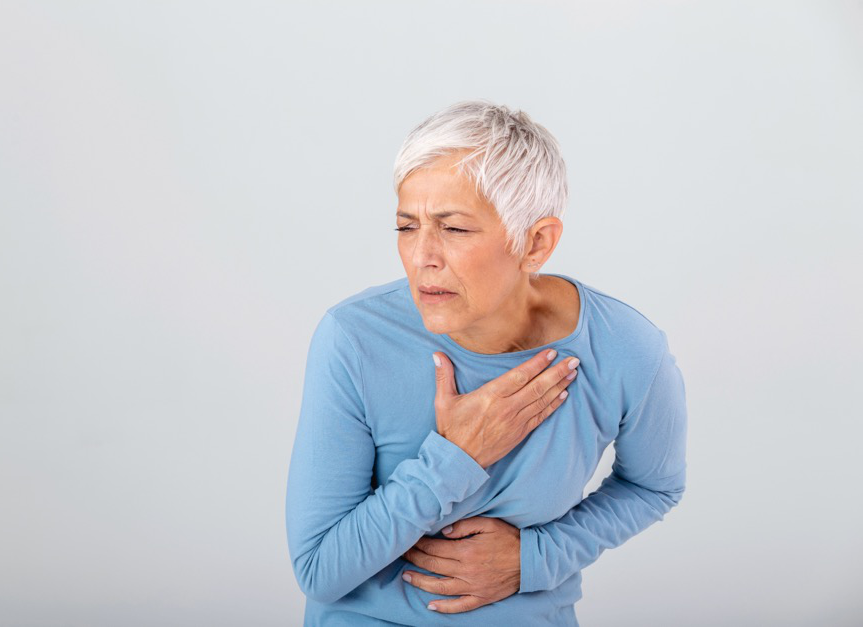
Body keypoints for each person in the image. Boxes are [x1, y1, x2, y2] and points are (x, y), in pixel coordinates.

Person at [285, 100, 687, 626]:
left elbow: (655, 485)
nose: (422, 255)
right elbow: (318, 570)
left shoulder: (626, 350)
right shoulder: (354, 339)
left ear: (535, 243)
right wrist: (455, 458)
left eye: (453, 229)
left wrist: (534, 559)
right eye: (407, 226)